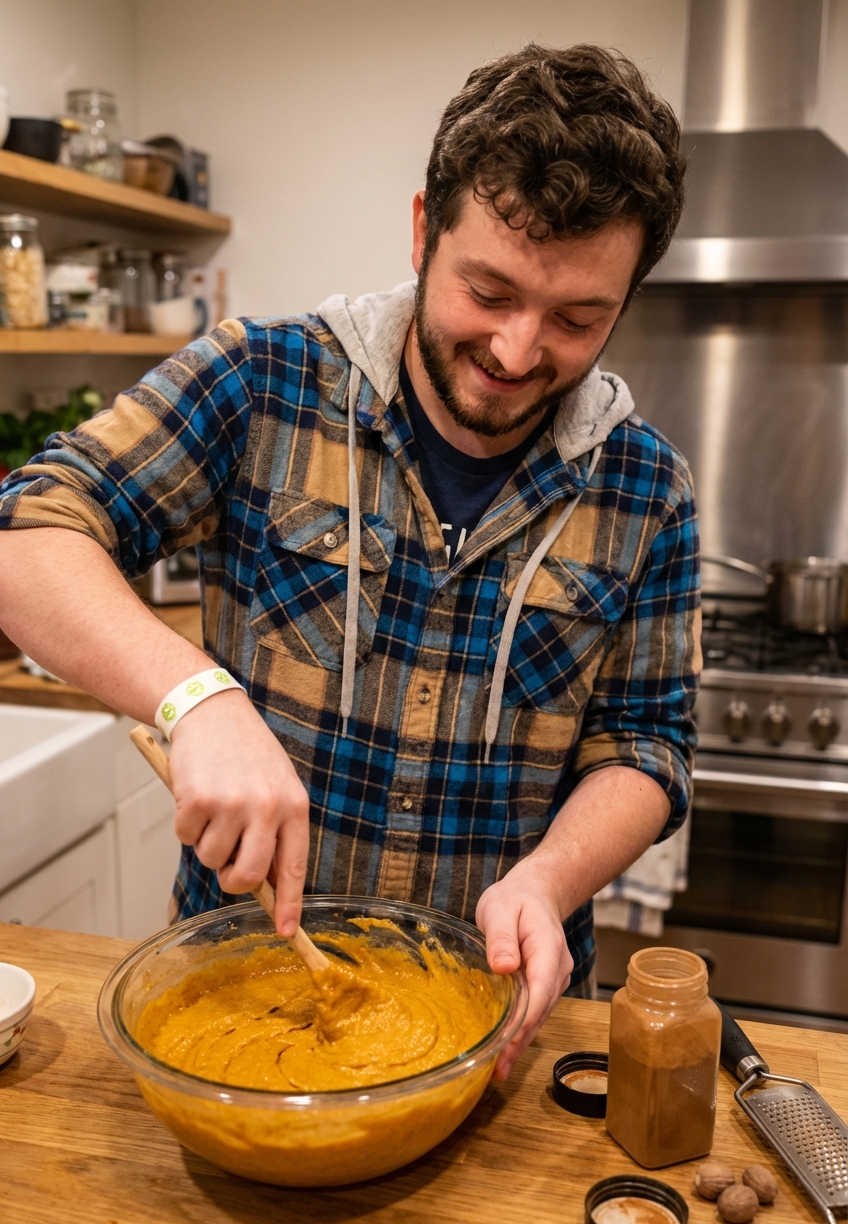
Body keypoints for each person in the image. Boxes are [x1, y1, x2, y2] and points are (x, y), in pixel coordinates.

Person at [0, 44, 698, 1078]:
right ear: (423, 230)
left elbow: (645, 744)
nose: (514, 352)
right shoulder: (263, 380)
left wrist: (550, 879)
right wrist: (197, 701)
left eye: (574, 318)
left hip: (498, 1025)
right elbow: (28, 534)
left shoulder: (645, 489)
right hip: (237, 989)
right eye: (487, 289)